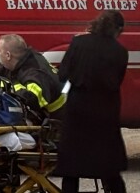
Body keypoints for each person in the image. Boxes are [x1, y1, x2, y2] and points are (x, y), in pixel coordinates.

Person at [54, 10, 128, 193]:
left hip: (77, 110)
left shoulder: (78, 43)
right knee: (109, 167)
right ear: (118, 30)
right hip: (105, 112)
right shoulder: (120, 52)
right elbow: (116, 81)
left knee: (71, 169)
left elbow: (63, 74)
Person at [0, 33, 65, 119]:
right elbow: (1, 73)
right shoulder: (21, 59)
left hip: (58, 115)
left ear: (8, 55)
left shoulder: (33, 72)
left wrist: (13, 85)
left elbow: (32, 99)